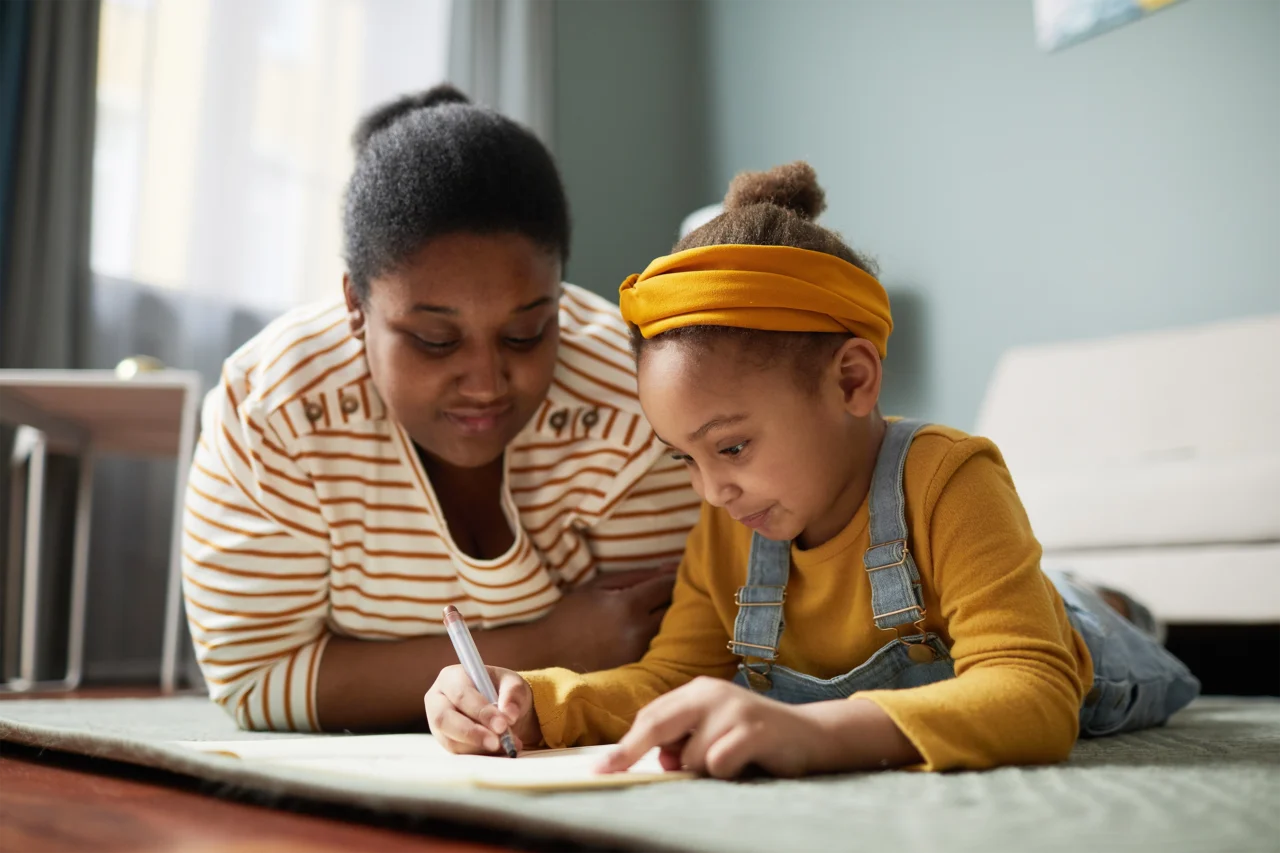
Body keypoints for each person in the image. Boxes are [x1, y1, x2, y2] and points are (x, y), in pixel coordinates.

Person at [424, 162, 1200, 775]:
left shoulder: (950, 477)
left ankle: (1113, 602)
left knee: (1079, 611)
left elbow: (1031, 693)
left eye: (729, 446)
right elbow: (672, 678)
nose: (711, 489)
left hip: (1085, 649)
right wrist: (536, 701)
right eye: (685, 457)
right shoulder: (734, 522)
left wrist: (817, 732)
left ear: (854, 380)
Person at [182, 85, 700, 732]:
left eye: (526, 333)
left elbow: (670, 650)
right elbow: (254, 678)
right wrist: (546, 648)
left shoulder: (634, 398)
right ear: (354, 306)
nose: (485, 382)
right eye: (435, 340)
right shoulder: (272, 409)